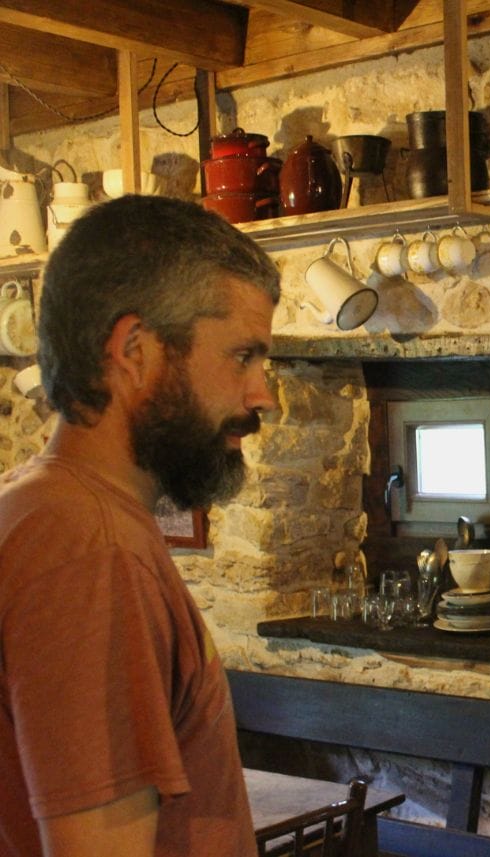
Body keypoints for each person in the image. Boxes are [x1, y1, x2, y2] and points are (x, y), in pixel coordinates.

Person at [0, 195, 280, 857]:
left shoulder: (39, 504)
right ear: (134, 350)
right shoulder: (88, 548)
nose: (263, 393)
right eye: (242, 356)